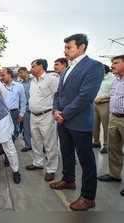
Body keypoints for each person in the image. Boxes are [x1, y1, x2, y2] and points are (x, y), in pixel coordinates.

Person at [50, 33, 104, 211]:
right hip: (63, 120)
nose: (65, 51)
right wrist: (56, 110)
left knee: (86, 160)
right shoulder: (66, 69)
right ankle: (68, 180)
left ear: (81, 47)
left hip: (79, 121)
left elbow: (85, 96)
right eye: (64, 47)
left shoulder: (94, 67)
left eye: (69, 47)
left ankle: (88, 197)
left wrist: (64, 114)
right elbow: (59, 93)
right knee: (66, 153)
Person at [25, 59, 59, 182]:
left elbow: (58, 95)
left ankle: (51, 169)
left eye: (33, 66)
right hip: (33, 115)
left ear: (41, 67)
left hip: (47, 115)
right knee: (36, 141)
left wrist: (56, 111)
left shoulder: (52, 78)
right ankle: (38, 162)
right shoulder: (33, 81)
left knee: (49, 143)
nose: (31, 68)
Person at [97, 55, 124, 197]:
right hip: (114, 117)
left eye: (116, 63)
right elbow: (113, 96)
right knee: (114, 149)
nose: (112, 65)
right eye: (112, 63)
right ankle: (114, 174)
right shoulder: (116, 80)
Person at [93, 64, 115, 153]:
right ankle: (96, 141)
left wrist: (103, 98)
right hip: (95, 103)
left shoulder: (112, 79)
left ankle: (106, 145)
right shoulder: (97, 78)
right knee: (95, 124)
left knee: (106, 126)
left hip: (105, 103)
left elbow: (114, 93)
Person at [18, 67, 32, 152]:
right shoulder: (20, 84)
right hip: (25, 109)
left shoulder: (34, 81)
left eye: (21, 72)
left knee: (38, 129)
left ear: (26, 72)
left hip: (35, 108)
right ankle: (28, 145)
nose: (20, 74)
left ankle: (44, 146)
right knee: (26, 129)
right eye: (19, 73)